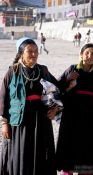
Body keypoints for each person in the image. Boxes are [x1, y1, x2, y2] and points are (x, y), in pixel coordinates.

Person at [0, 37, 60, 175]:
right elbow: (3, 98)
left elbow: (58, 89)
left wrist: (55, 109)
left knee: (41, 155)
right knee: (20, 154)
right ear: (21, 53)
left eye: (36, 51)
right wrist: (4, 123)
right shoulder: (12, 71)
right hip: (19, 121)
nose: (34, 54)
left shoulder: (43, 70)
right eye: (29, 51)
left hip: (41, 120)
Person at [56, 43, 93, 175]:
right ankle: (68, 171)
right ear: (81, 55)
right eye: (87, 52)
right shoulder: (72, 69)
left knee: (89, 148)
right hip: (71, 116)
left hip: (91, 117)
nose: (90, 55)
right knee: (69, 146)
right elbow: (57, 88)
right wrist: (68, 84)